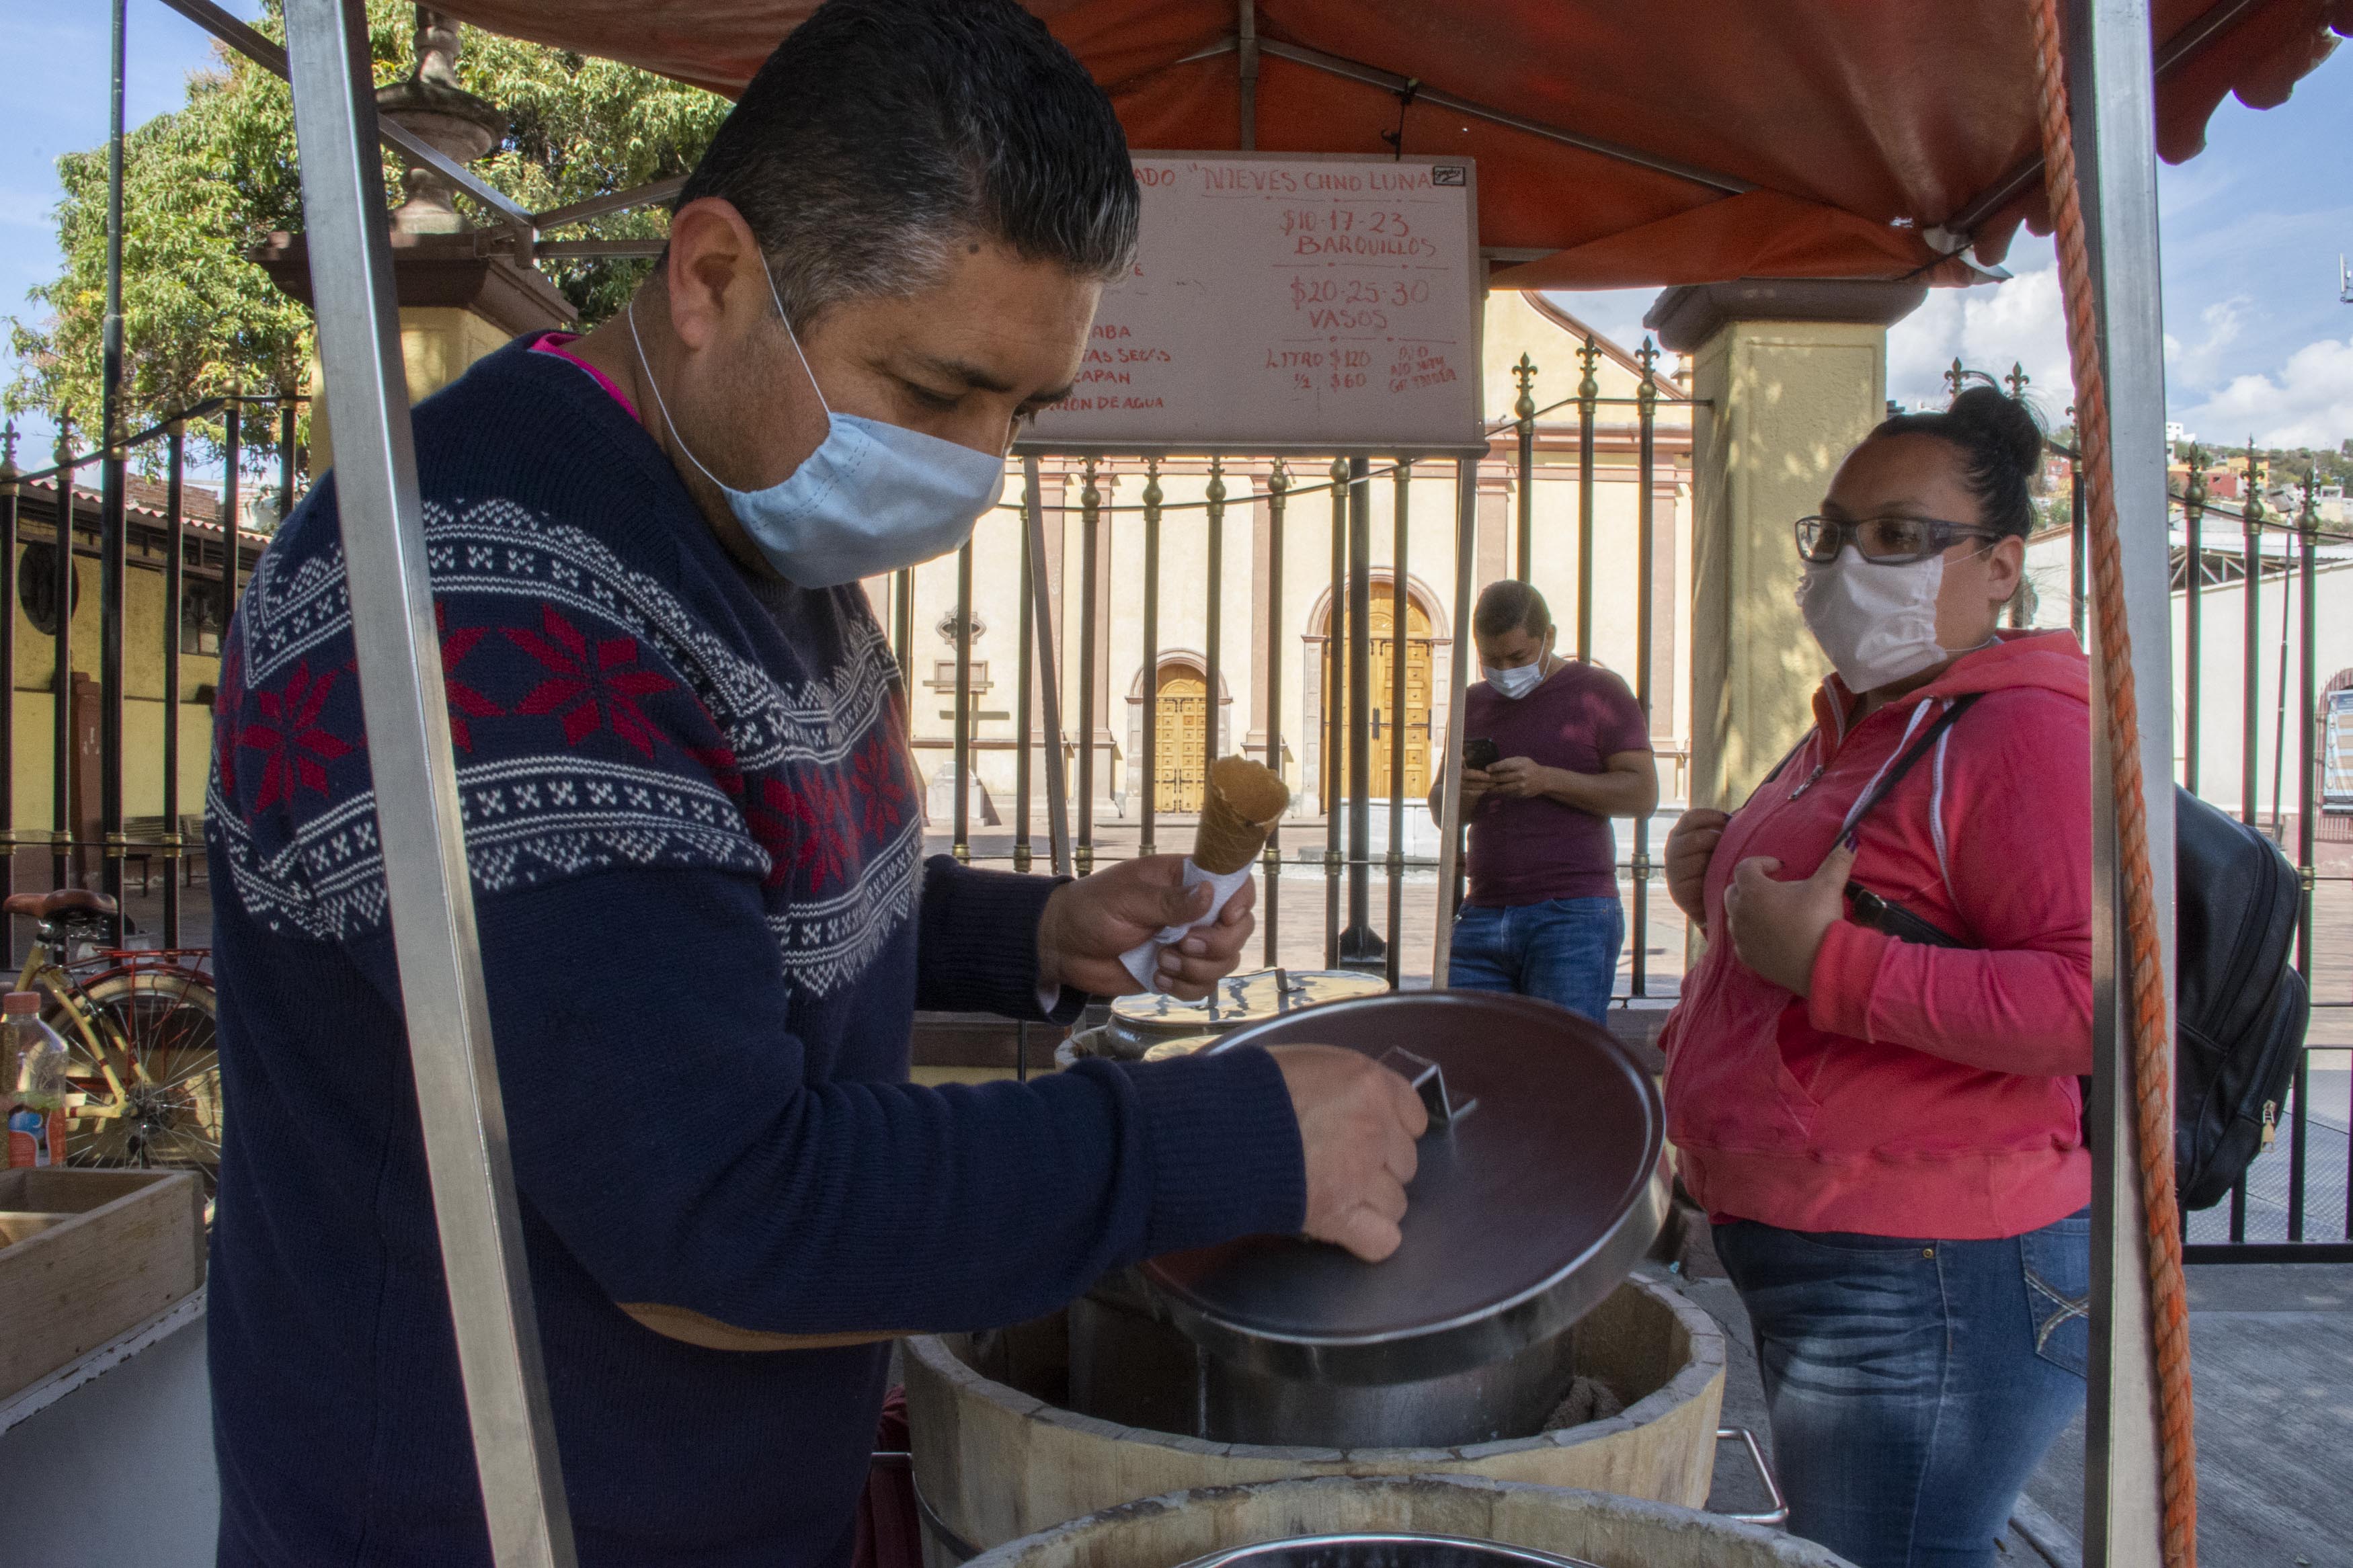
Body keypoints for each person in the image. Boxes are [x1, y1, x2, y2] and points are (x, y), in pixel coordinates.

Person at [204, 5, 1427, 1563]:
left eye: (1020, 410)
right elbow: (720, 1214)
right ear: (713, 278)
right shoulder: (491, 607)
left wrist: (1029, 931)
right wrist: (1224, 1143)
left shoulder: (747, 513)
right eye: (935, 390)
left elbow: (730, 893)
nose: (979, 463)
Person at [1659, 386, 2091, 1568]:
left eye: (1900, 535)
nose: (1852, 564)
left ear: (2000, 566)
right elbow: (1847, 918)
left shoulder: (2020, 731)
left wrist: (1829, 962)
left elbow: (2090, 1002)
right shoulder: (1868, 722)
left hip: (1926, 1267)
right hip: (1830, 1241)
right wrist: (1714, 890)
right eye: (1837, 532)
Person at [1427, 581, 1656, 1022]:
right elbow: (1441, 807)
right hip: (1483, 911)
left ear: (1548, 637)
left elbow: (1642, 794)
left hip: (1573, 914)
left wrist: (1547, 780)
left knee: (1560, 1057)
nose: (1505, 670)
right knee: (1466, 1051)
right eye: (1491, 660)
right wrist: (1462, 794)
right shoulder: (1472, 702)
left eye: (1518, 657)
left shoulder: (1599, 692)